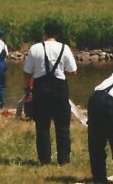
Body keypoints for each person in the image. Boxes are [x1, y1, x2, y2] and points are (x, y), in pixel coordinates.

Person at [22, 22, 77, 165]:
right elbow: (73, 71)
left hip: (41, 88)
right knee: (63, 126)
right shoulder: (65, 48)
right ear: (57, 35)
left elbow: (27, 72)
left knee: (42, 126)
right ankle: (63, 160)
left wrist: (28, 91)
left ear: (44, 33)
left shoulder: (35, 48)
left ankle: (44, 160)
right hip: (60, 88)